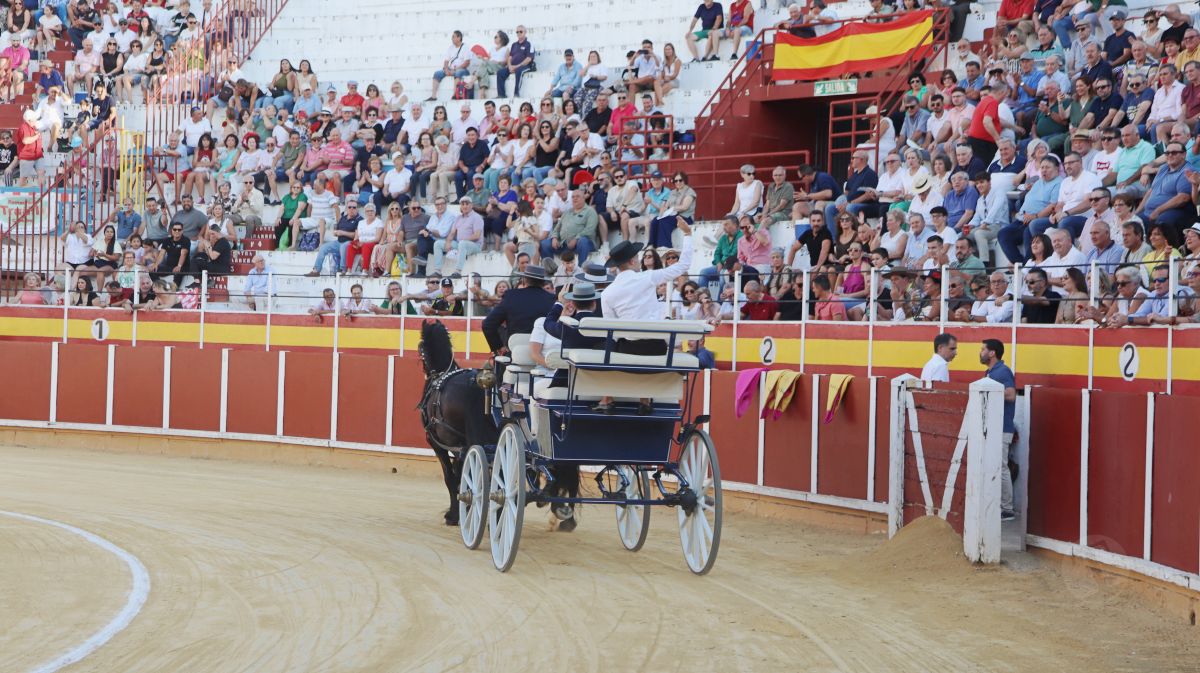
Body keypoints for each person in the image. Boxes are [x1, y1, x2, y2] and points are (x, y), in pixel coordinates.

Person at [979, 339, 1018, 522]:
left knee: (1000, 467)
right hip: (994, 426)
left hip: (1001, 427)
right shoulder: (992, 372)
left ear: (992, 352)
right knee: (995, 466)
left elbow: (1010, 394)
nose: (980, 352)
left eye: (983, 349)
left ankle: (1007, 509)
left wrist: (988, 391)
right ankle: (999, 505)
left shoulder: (1002, 371)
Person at [482, 264, 556, 353]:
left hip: (515, 352)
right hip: (543, 352)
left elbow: (487, 324)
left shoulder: (511, 296)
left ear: (524, 280)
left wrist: (499, 346)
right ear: (543, 282)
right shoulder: (552, 299)